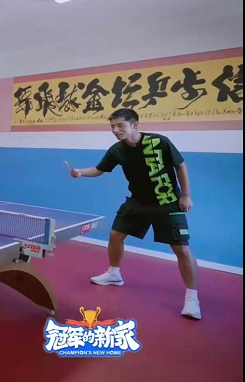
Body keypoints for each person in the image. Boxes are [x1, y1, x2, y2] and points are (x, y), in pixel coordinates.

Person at [66, 108, 201, 320]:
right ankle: (114, 273)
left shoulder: (159, 142)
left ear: (134, 125)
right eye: (112, 126)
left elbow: (180, 166)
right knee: (115, 234)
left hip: (167, 201)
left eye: (120, 125)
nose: (115, 130)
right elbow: (99, 170)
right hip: (137, 201)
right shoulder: (117, 150)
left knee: (182, 249)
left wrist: (186, 195)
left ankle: (192, 298)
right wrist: (80, 172)